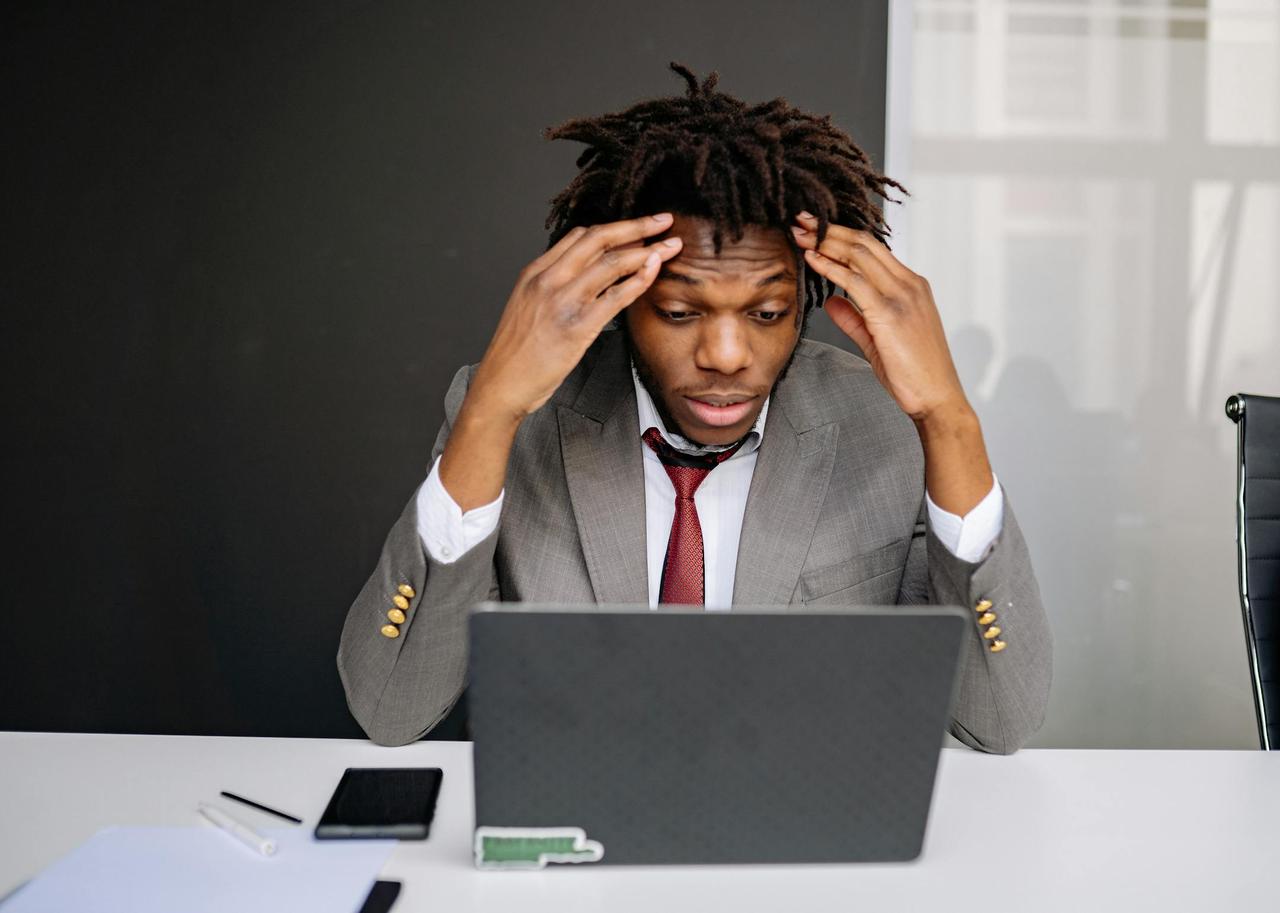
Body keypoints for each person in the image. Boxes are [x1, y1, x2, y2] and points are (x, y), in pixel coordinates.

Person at [338, 64, 1051, 752]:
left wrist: (949, 420)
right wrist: (490, 414)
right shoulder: (516, 416)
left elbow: (999, 720)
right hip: (580, 821)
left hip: (799, 818)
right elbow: (391, 707)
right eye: (680, 312)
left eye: (767, 312)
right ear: (622, 297)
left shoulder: (884, 421)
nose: (727, 355)